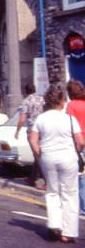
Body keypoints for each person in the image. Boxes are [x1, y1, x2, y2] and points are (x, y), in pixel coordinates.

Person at [29, 84, 84, 243]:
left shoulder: (41, 118)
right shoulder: (69, 119)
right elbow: (80, 142)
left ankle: (55, 226)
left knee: (52, 192)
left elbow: (33, 141)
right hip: (68, 158)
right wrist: (77, 151)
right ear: (61, 100)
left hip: (48, 157)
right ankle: (68, 232)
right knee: (70, 194)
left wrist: (40, 154)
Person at [16, 82, 46, 188]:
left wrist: (17, 131)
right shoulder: (42, 99)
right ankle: (32, 178)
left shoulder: (26, 101)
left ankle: (45, 181)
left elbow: (22, 118)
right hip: (44, 130)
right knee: (38, 155)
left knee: (38, 156)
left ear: (25, 91)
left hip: (33, 130)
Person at [67, 79, 85, 214]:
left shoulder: (71, 105)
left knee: (80, 176)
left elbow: (70, 126)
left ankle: (82, 207)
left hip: (79, 143)